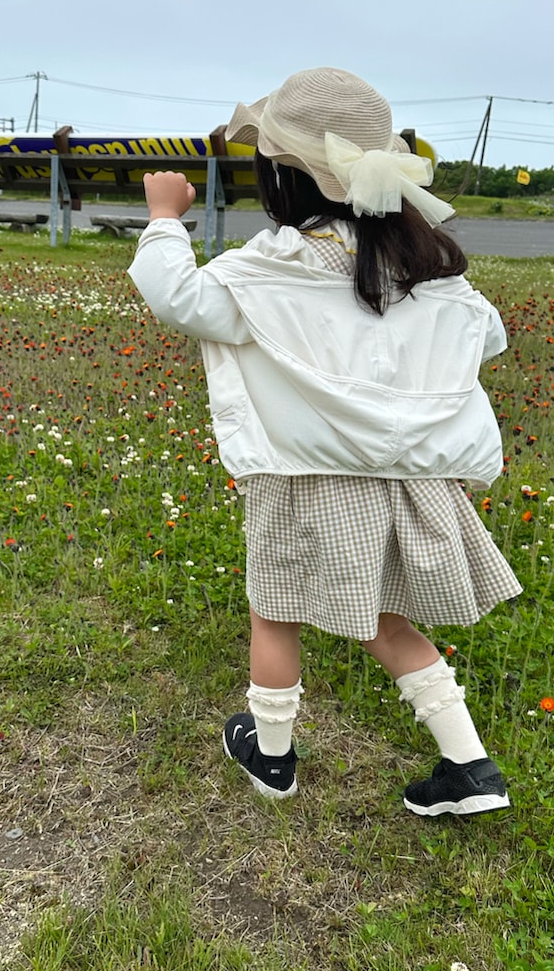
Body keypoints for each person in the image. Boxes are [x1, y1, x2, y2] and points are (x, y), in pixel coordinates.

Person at [128, 67, 521, 817]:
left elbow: (179, 297)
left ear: (279, 179)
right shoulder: (425, 270)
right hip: (405, 478)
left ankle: (271, 756)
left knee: (275, 611)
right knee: (386, 620)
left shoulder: (272, 267)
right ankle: (470, 766)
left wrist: (164, 217)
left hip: (304, 475)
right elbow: (488, 336)